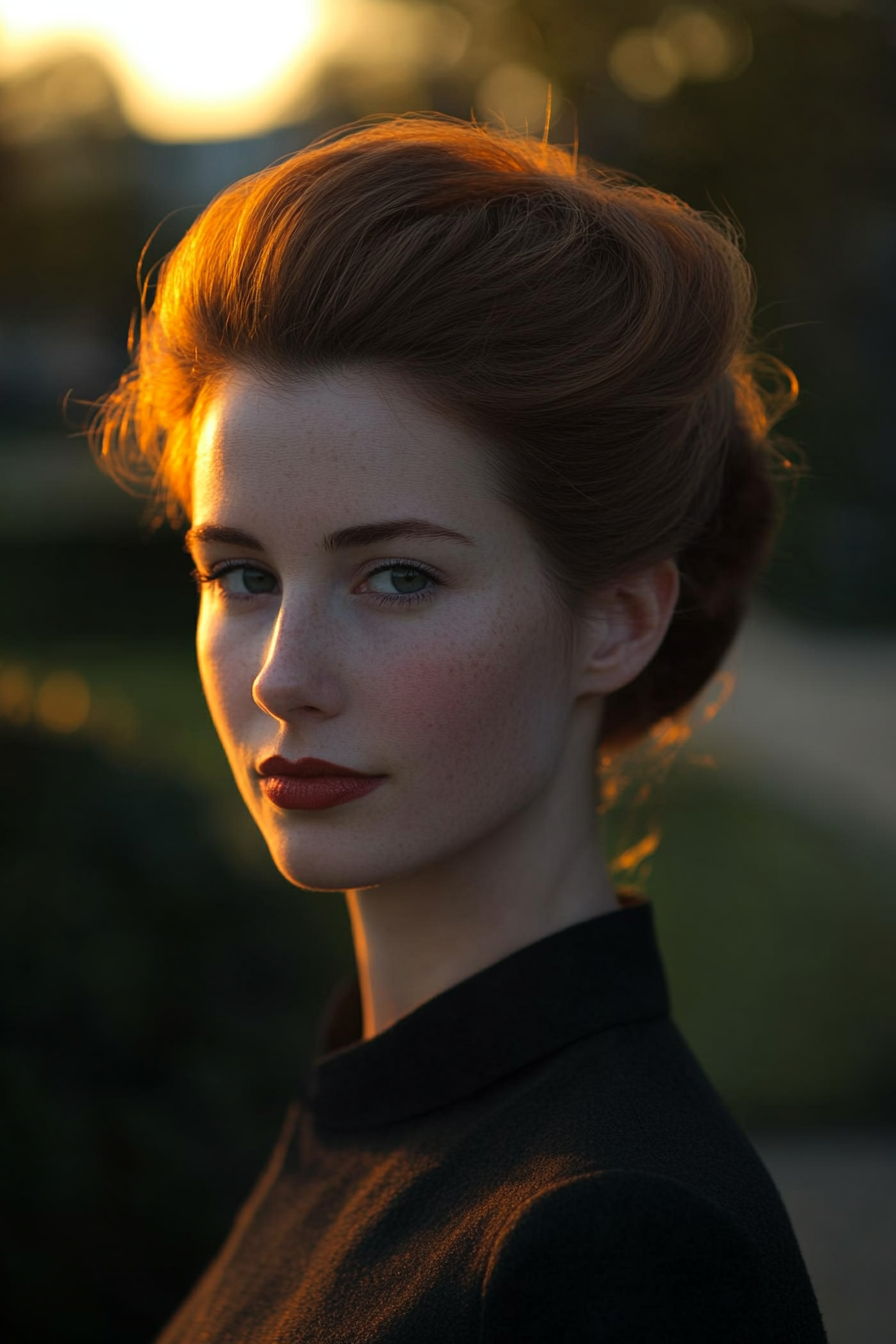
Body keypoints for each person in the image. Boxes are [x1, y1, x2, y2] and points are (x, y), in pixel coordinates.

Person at [91, 115, 827, 1342]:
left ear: (616, 621)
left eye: (397, 579)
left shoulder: (610, 1248)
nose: (283, 677)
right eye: (241, 576)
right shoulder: (373, 1101)